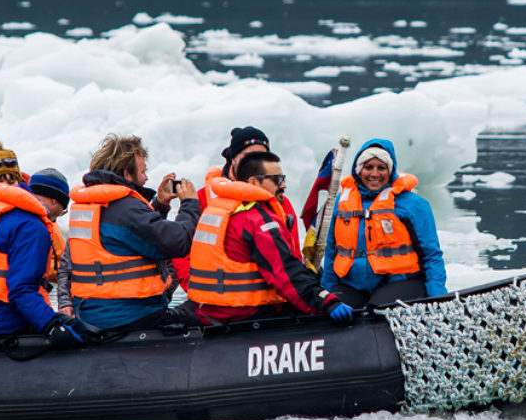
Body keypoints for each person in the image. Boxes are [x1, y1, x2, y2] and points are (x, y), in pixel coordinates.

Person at [186, 150, 352, 326]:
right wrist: (326, 301)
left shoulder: (222, 207)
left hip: (213, 310)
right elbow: (286, 272)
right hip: (246, 313)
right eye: (276, 180)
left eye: (283, 178)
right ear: (253, 182)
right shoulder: (257, 220)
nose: (284, 186)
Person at [68, 133, 200, 334]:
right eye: (142, 171)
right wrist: (190, 204)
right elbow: (176, 241)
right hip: (131, 316)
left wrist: (159, 206)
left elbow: (132, 237)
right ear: (127, 173)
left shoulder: (91, 205)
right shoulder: (126, 208)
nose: (146, 177)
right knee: (199, 310)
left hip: (92, 315)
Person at [0, 140, 80, 348]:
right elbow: (21, 290)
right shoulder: (30, 226)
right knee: (79, 332)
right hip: (4, 322)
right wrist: (51, 326)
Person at [171, 125, 302, 291]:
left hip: (268, 296)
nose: (256, 160)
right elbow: (182, 252)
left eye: (263, 155)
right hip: (214, 295)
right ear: (233, 159)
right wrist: (195, 288)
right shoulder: (203, 199)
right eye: (249, 155)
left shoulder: (280, 202)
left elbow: (294, 252)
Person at [321, 138, 446, 309]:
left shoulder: (413, 204)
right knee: (334, 308)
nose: (374, 174)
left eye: (381, 168)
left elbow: (431, 255)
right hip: (352, 285)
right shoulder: (341, 203)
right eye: (368, 167)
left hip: (399, 282)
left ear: (390, 170)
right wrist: (326, 294)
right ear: (358, 170)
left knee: (377, 310)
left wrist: (437, 297)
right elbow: (331, 251)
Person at [29, 167, 70, 303]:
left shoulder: (12, 215)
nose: (59, 216)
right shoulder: (38, 227)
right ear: (54, 201)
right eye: (62, 210)